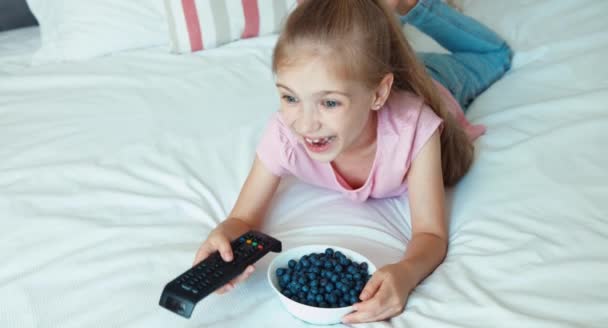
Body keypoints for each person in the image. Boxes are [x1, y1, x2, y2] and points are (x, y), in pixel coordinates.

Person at [193, 0, 512, 323]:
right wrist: (224, 236)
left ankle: (408, 5)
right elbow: (243, 217)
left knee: (494, 55)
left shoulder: (414, 128)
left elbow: (430, 235)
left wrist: (406, 272)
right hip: (371, 72)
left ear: (378, 94)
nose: (305, 125)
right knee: (366, 49)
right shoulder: (284, 135)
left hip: (435, 80)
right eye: (290, 97)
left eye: (329, 103)